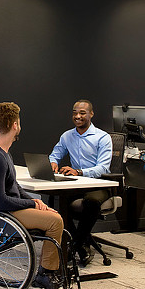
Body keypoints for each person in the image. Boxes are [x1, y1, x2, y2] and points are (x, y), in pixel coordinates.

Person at [0, 102, 64, 289]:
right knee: (55, 222)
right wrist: (31, 202)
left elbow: (14, 187)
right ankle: (46, 273)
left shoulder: (1, 152)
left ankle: (51, 269)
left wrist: (36, 202)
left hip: (8, 209)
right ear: (15, 125)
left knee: (52, 215)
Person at [48, 99, 112, 267]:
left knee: (91, 202)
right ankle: (80, 244)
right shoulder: (67, 136)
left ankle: (76, 245)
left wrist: (80, 171)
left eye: (82, 113)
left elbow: (103, 167)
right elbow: (55, 154)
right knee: (57, 203)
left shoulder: (102, 137)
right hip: (76, 183)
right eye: (75, 112)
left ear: (91, 114)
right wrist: (53, 162)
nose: (78, 116)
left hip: (98, 183)